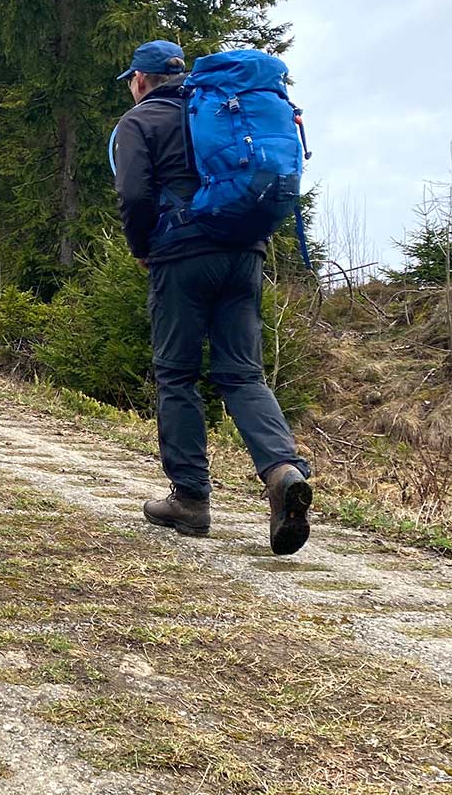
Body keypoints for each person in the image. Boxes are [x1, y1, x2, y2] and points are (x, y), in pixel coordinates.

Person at [110, 39, 313, 555]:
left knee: (177, 373)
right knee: (243, 374)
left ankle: (191, 499)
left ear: (140, 79)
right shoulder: (220, 107)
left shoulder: (141, 121)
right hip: (246, 253)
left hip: (181, 255)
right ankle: (282, 470)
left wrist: (142, 248)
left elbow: (134, 195)